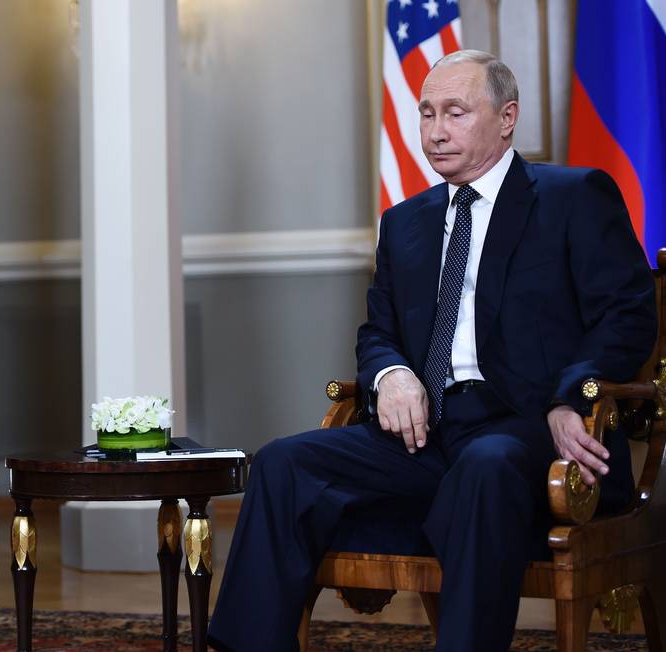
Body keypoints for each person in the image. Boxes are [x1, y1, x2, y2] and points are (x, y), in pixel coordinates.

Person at [207, 50, 656, 651]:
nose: (436, 131)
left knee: (486, 463)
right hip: (425, 435)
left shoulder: (574, 197)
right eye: (426, 114)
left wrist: (571, 396)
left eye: (456, 112)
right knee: (284, 462)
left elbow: (627, 314)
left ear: (506, 118)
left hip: (528, 429)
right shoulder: (405, 222)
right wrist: (390, 372)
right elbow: (378, 331)